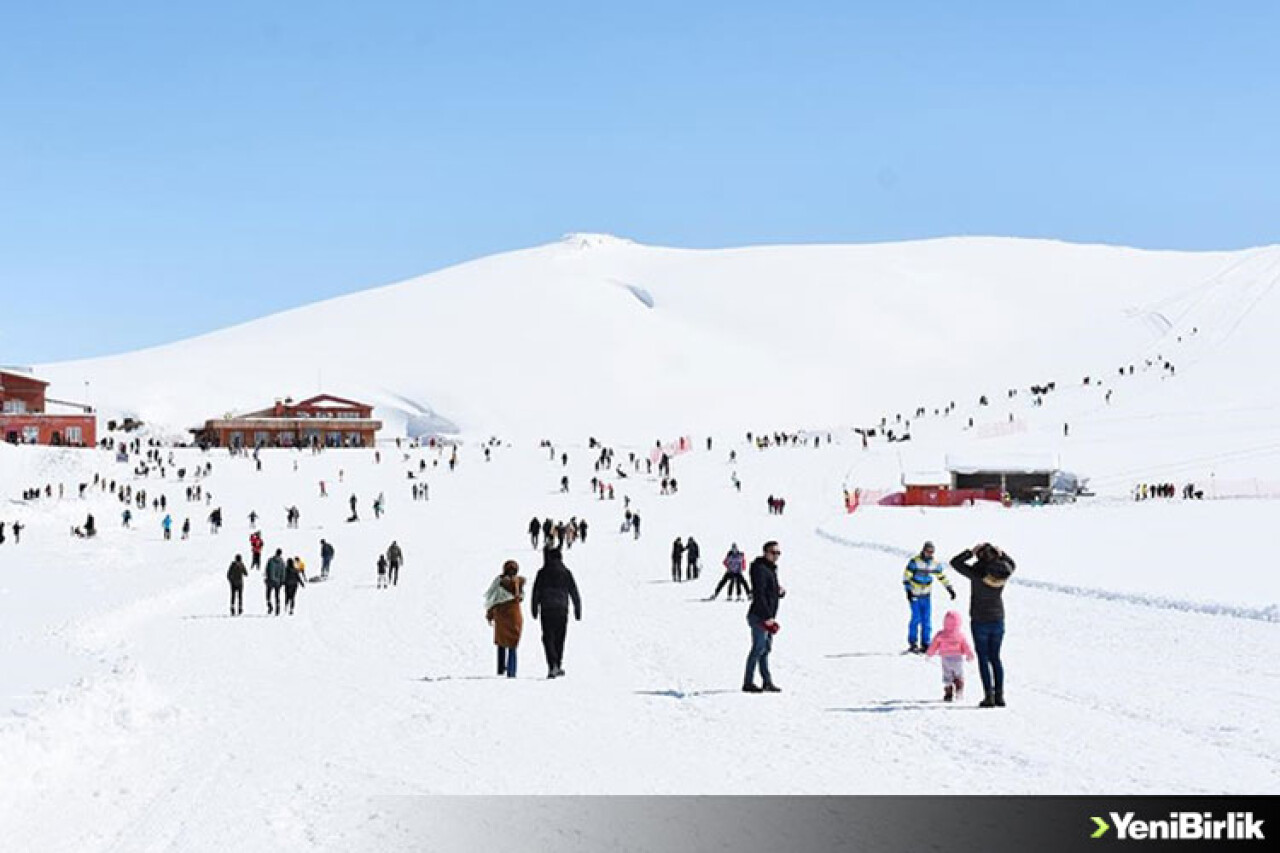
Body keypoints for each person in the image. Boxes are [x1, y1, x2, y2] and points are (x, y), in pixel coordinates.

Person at [950, 543, 1016, 707]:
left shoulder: (977, 573)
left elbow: (955, 563)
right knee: (995, 658)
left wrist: (969, 552)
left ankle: (988, 697)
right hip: (998, 618)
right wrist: (1002, 554)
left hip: (980, 620)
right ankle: (999, 696)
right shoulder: (1003, 572)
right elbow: (1012, 565)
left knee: (984, 658)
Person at [531, 547, 582, 679]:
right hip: (562, 609)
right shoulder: (566, 572)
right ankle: (557, 664)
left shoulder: (542, 573)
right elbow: (573, 591)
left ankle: (552, 664)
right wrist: (578, 609)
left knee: (548, 637)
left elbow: (536, 591)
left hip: (547, 609)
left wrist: (534, 608)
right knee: (560, 637)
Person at [743, 541, 784, 693]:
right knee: (757, 648)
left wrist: (779, 591)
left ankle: (767, 681)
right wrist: (767, 617)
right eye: (773, 552)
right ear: (765, 552)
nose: (776, 556)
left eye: (778, 553)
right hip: (759, 616)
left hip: (768, 616)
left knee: (765, 649)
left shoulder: (770, 569)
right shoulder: (760, 568)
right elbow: (759, 594)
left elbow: (768, 590)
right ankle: (748, 682)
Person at [903, 541, 955, 653]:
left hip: (926, 596)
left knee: (926, 620)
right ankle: (913, 643)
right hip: (915, 594)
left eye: (932, 552)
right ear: (924, 550)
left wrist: (949, 588)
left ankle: (926, 643)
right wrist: (908, 591)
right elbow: (906, 577)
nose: (930, 554)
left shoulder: (934, 563)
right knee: (916, 618)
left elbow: (941, 576)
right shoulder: (915, 562)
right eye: (928, 551)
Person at [485, 560, 526, 678]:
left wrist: (490, 614)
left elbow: (493, 601)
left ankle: (500, 669)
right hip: (515, 618)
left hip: (501, 617)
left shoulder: (499, 583)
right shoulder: (519, 584)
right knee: (513, 645)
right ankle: (512, 672)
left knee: (501, 643)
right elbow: (521, 598)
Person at [925, 610, 975, 702]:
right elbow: (966, 646)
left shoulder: (940, 634)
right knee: (959, 674)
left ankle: (948, 692)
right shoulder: (960, 635)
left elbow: (934, 645)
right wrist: (969, 655)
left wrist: (929, 654)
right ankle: (959, 688)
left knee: (947, 675)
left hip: (945, 658)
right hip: (957, 658)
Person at [264, 549, 286, 615]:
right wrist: (282, 581)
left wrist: (267, 578)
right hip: (278, 582)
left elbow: (267, 569)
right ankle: (277, 608)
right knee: (277, 595)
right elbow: (283, 572)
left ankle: (269, 605)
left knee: (268, 595)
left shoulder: (270, 560)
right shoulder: (282, 562)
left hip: (270, 581)